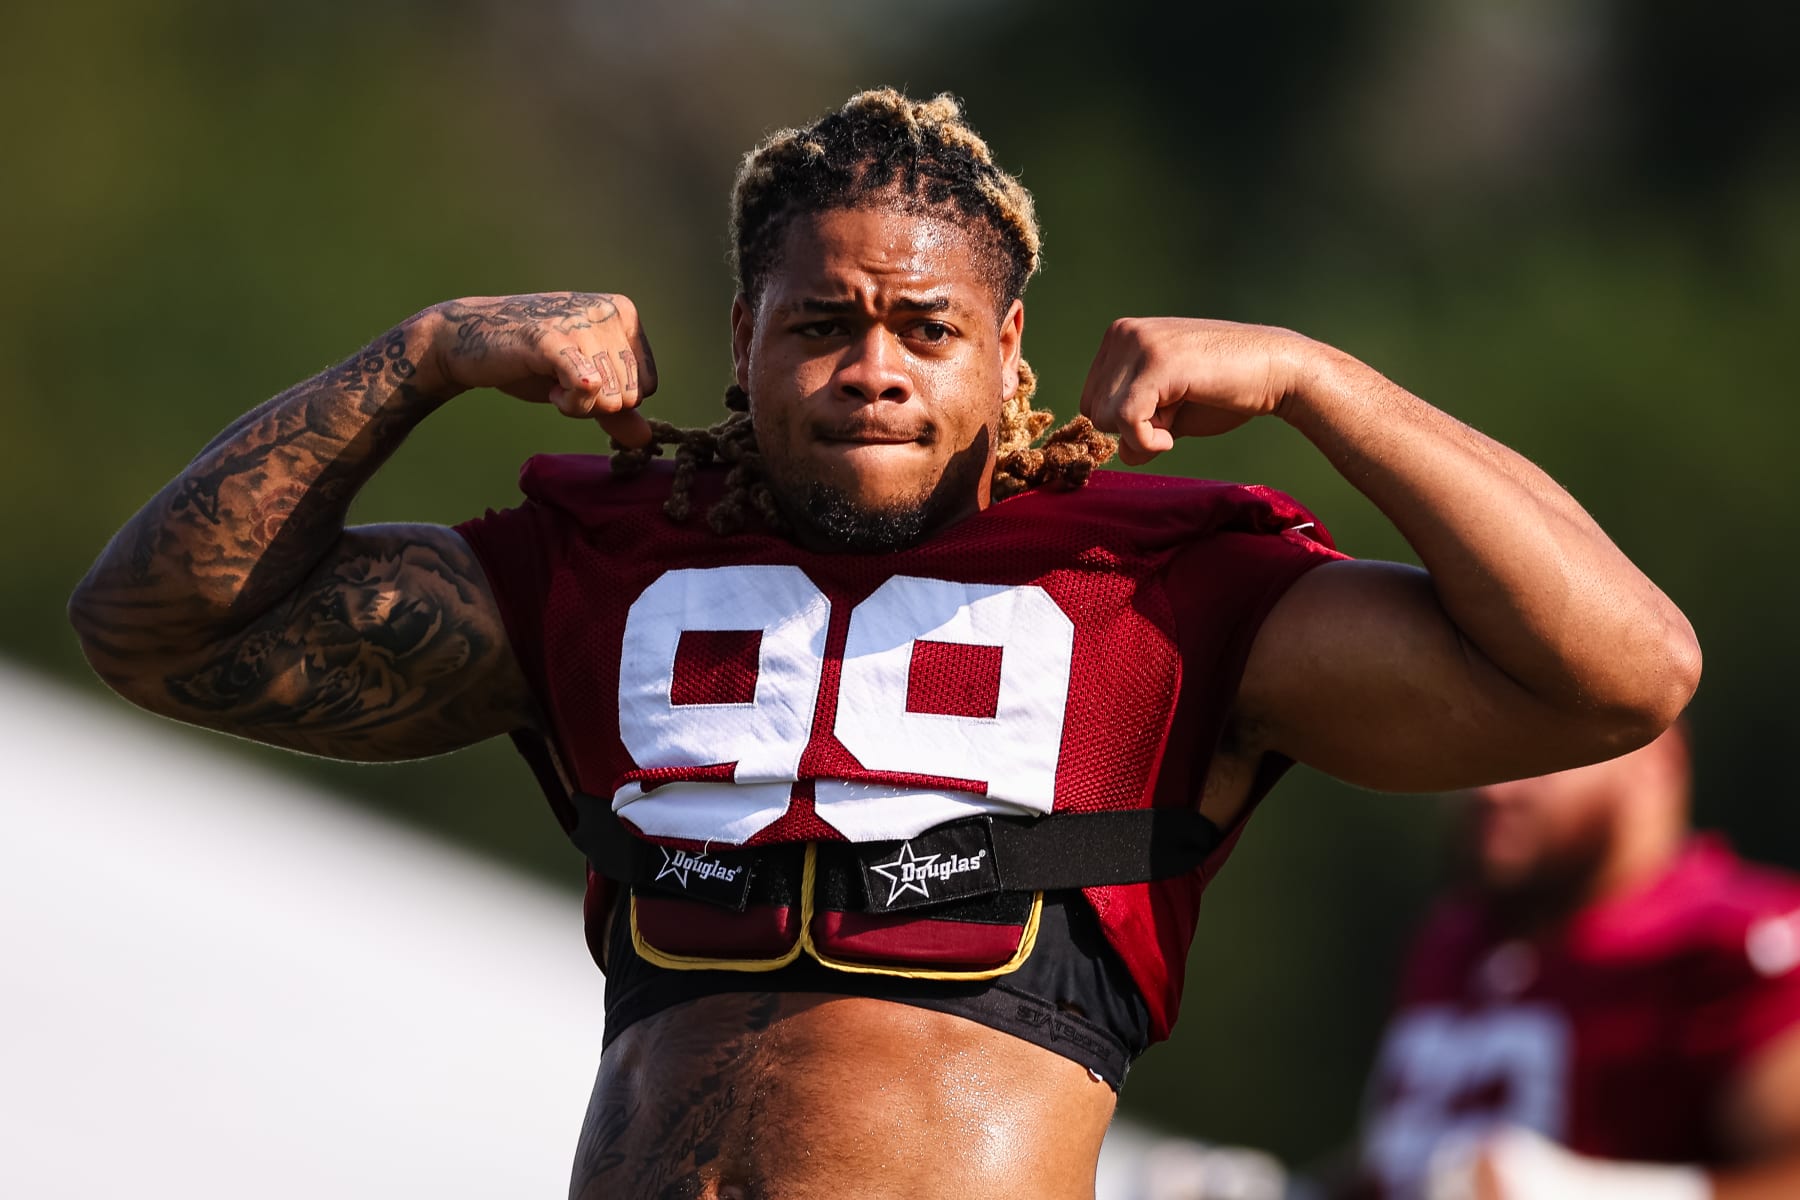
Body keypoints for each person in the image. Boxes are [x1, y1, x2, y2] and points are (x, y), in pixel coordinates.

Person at [68, 89, 1699, 1198]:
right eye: (821, 323)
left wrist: (1323, 384)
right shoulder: (603, 561)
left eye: (923, 329)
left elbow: (1624, 672)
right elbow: (153, 629)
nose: (872, 367)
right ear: (740, 344)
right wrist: (423, 356)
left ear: (1003, 357)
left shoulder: (1166, 592)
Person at [1354, 726, 1800, 1200]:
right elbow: (1406, 1161)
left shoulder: (1744, 942)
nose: (1491, 789)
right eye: (1472, 753)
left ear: (1655, 759)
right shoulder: (1453, 940)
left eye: (1536, 756)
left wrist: (1596, 1193)